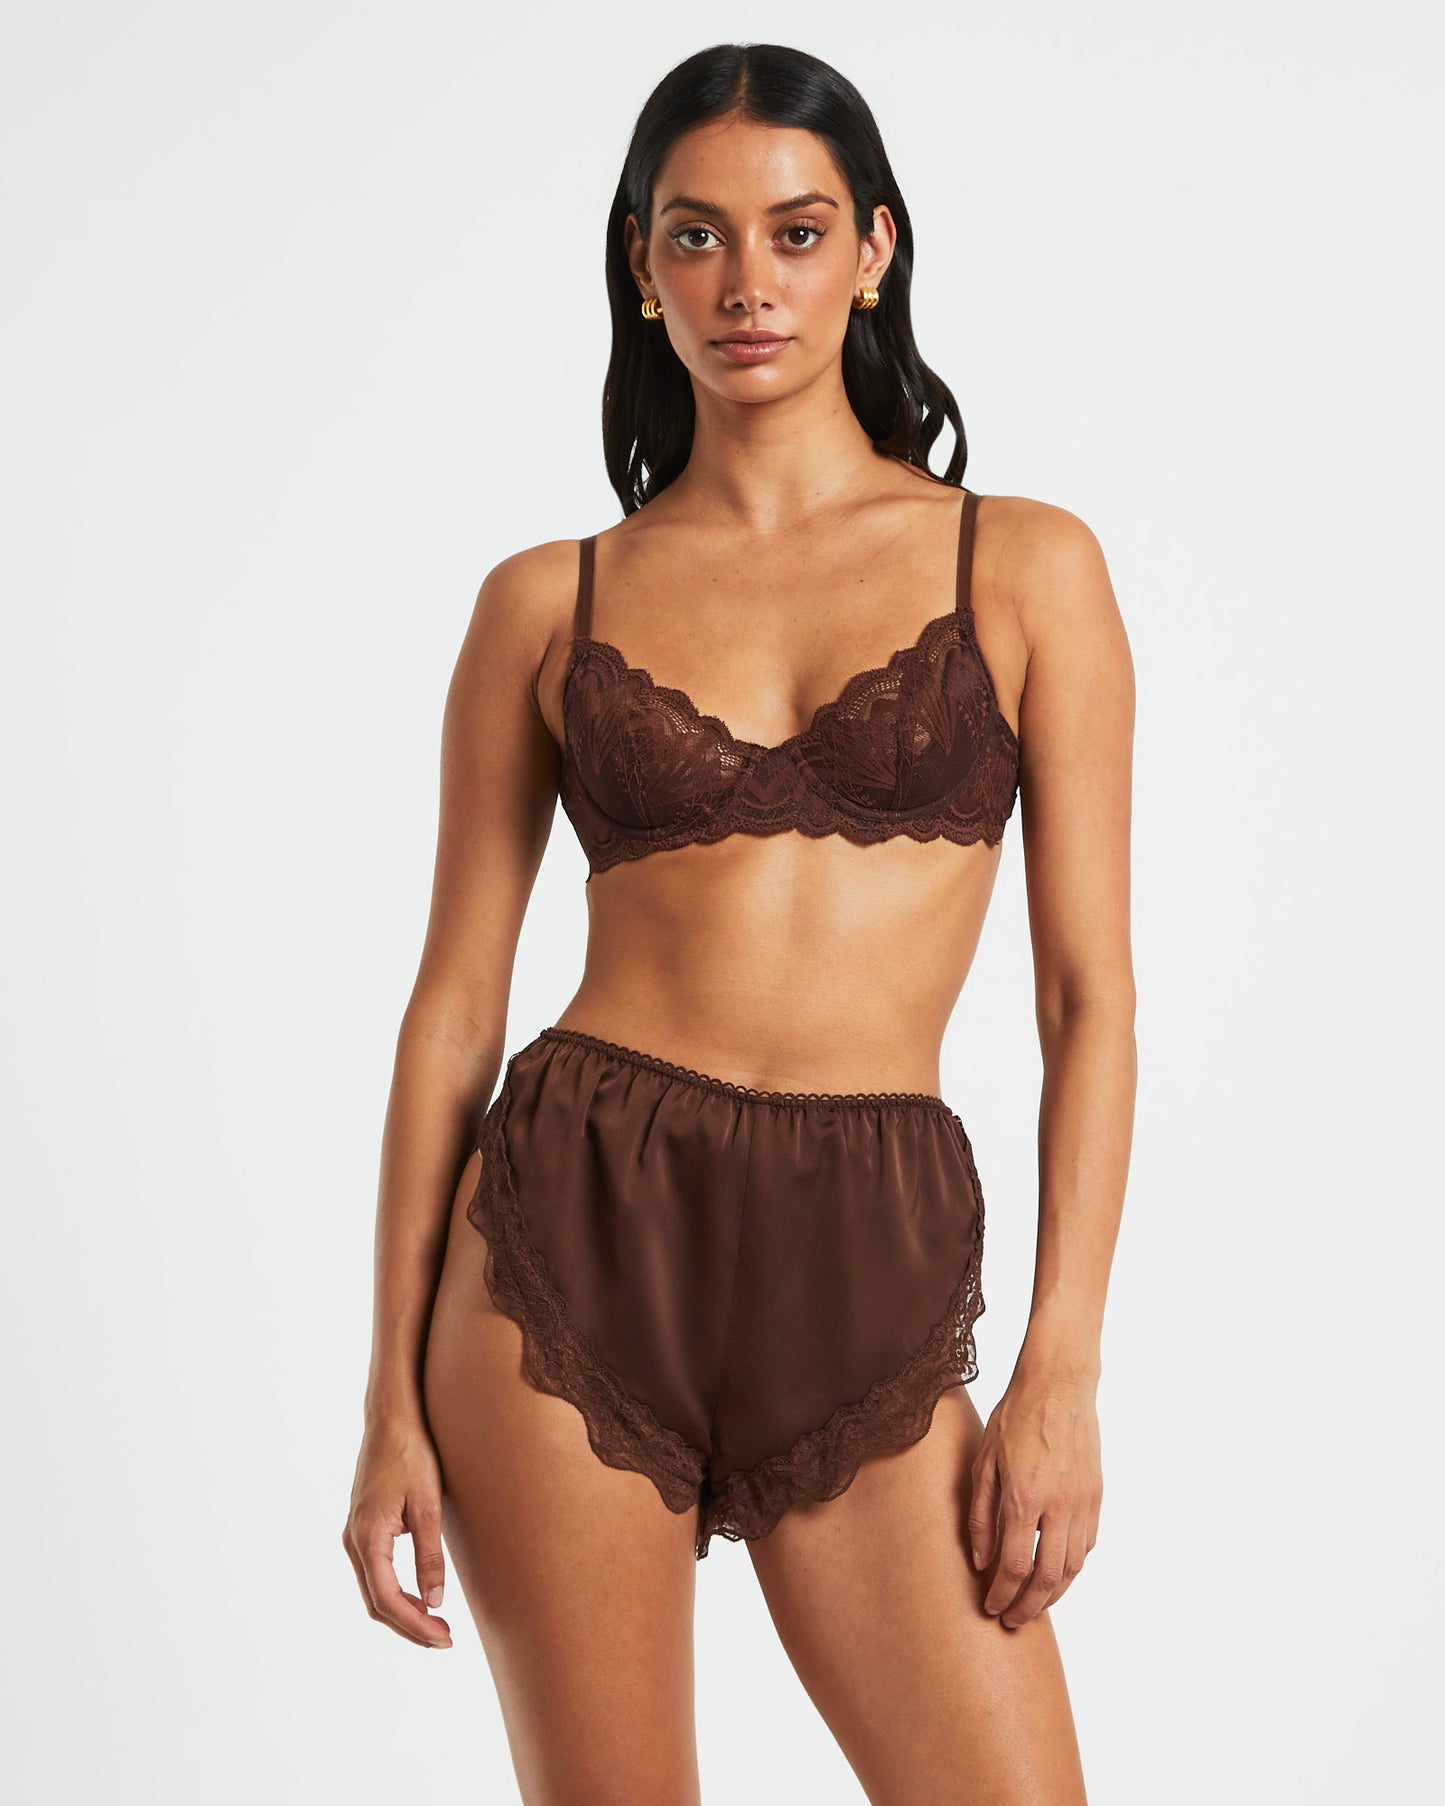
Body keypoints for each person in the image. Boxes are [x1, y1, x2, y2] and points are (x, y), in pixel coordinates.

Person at [343, 41, 1135, 1806]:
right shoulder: (547, 602)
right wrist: (387, 1394)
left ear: (874, 249)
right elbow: (452, 1011)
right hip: (564, 1236)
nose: (745, 284)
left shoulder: (1022, 567)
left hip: (864, 1248)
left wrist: (1061, 1363)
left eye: (794, 231)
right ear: (643, 263)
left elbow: (1088, 997)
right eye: (694, 236)